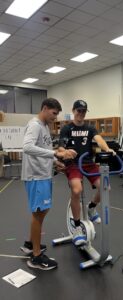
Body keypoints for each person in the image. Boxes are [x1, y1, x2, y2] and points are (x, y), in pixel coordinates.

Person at [21, 98, 76, 270]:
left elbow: (42, 149)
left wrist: (54, 161)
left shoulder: (44, 126)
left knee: (42, 211)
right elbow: (27, 147)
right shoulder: (36, 125)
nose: (55, 117)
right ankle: (36, 257)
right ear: (45, 108)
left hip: (43, 175)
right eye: (53, 113)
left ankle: (30, 244)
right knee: (39, 213)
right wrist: (55, 153)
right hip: (36, 176)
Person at [59, 99, 115, 247]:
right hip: (73, 164)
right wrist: (65, 152)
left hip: (88, 163)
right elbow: (60, 149)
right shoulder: (66, 129)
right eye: (79, 111)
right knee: (77, 189)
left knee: (105, 188)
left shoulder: (90, 128)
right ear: (73, 111)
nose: (81, 114)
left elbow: (99, 139)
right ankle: (77, 227)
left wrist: (107, 149)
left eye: (83, 111)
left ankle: (91, 208)